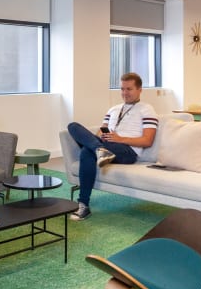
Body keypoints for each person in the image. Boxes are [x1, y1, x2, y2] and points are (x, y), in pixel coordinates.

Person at [66, 72, 158, 221]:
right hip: (107, 145)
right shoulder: (113, 109)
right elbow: (99, 132)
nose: (124, 93)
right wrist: (101, 138)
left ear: (140, 90)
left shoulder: (146, 109)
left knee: (86, 151)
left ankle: (83, 204)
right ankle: (99, 150)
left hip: (128, 150)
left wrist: (120, 139)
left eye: (129, 89)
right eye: (122, 89)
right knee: (73, 126)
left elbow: (147, 141)